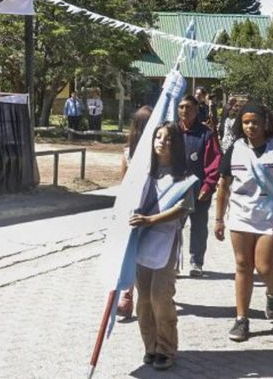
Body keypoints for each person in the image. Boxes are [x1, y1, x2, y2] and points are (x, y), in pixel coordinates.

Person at [214, 101, 273, 342]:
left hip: (271, 216)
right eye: (246, 122)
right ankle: (242, 319)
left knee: (264, 267)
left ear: (265, 124)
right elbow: (224, 187)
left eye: (255, 122)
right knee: (242, 265)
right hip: (240, 215)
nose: (251, 126)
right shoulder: (234, 149)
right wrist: (219, 219)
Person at [129, 121, 196, 371]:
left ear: (176, 144)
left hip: (166, 241)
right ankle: (151, 346)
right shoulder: (144, 172)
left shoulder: (183, 177)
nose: (162, 142)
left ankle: (167, 348)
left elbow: (184, 208)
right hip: (141, 242)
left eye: (168, 139)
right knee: (144, 298)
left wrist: (151, 220)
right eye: (158, 137)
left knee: (160, 296)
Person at [177, 94, 222, 276]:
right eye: (181, 107)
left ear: (196, 110)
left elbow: (214, 162)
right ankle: (172, 262)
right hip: (175, 191)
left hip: (199, 191)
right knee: (172, 227)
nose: (185, 111)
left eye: (188, 107)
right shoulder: (172, 132)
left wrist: (208, 186)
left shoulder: (206, 134)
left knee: (199, 226)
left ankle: (196, 262)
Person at [117, 105, 154, 318]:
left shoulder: (161, 149)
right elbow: (123, 183)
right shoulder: (128, 152)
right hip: (134, 209)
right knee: (130, 253)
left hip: (155, 210)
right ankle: (127, 294)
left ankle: (154, 293)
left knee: (149, 254)